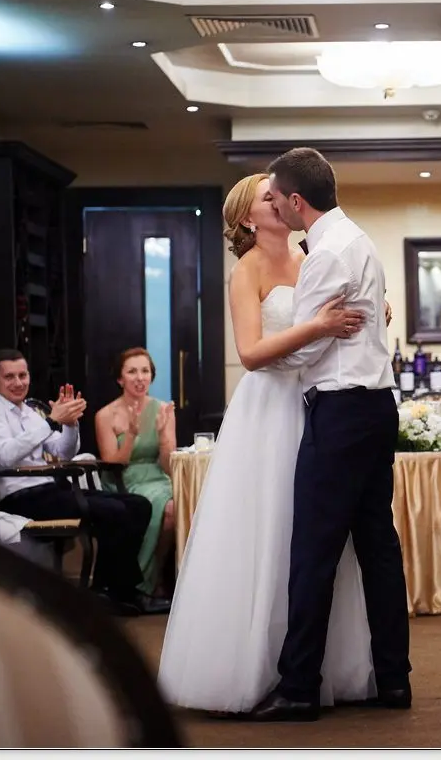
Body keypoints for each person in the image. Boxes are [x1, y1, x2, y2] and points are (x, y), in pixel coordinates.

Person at [156, 172, 374, 715]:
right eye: (265, 197)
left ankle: (315, 664)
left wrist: (371, 313)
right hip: (267, 408)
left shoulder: (310, 257)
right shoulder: (246, 270)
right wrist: (320, 326)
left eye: (277, 194)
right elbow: (251, 353)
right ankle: (253, 668)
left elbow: (337, 317)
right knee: (268, 526)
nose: (276, 201)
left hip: (315, 401)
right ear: (246, 218)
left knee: (314, 536)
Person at [247, 147, 411, 722]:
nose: (273, 207)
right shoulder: (359, 240)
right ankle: (394, 679)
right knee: (378, 548)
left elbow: (306, 352)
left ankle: (298, 687)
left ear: (296, 201)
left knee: (313, 552)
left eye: (275, 198)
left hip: (339, 412)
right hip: (377, 408)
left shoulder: (324, 254)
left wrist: (282, 345)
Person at [0, 349, 159, 615]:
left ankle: (110, 591)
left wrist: (70, 425)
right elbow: (5, 456)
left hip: (48, 489)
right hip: (19, 497)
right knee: (115, 512)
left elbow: (64, 453)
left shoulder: (28, 411)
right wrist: (51, 421)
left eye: (23, 375)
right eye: (9, 377)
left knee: (139, 505)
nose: (18, 383)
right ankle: (116, 592)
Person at [94, 348, 176, 597]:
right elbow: (114, 464)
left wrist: (162, 436)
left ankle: (159, 574)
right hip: (124, 479)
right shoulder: (105, 415)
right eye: (132, 372)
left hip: (158, 476)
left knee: (180, 506)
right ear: (120, 379)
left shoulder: (163, 410)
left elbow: (168, 466)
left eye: (145, 371)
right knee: (164, 508)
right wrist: (130, 434)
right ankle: (142, 580)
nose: (140, 378)